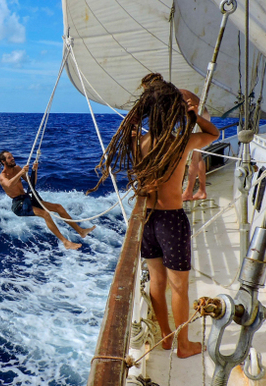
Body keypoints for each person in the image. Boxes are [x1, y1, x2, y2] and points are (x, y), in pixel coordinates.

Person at [90, 78, 219, 358]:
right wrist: (194, 115)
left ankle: (167, 338)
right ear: (174, 113)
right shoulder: (181, 142)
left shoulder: (141, 143)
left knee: (157, 284)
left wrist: (136, 118)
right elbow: (213, 134)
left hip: (147, 220)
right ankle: (184, 346)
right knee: (179, 287)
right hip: (172, 220)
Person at [0, 151, 95, 250]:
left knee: (58, 207)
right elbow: (9, 185)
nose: (12, 158)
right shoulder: (3, 176)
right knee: (45, 214)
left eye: (12, 156)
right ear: (3, 161)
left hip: (27, 199)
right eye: (9, 157)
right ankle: (66, 243)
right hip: (19, 205)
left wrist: (35, 171)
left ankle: (80, 231)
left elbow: (31, 182)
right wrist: (21, 172)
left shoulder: (17, 168)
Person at [139, 73, 212, 201]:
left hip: (199, 115)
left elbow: (183, 109)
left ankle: (189, 192)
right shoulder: (171, 92)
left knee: (194, 155)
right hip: (201, 114)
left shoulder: (170, 95)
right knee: (198, 155)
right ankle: (201, 190)